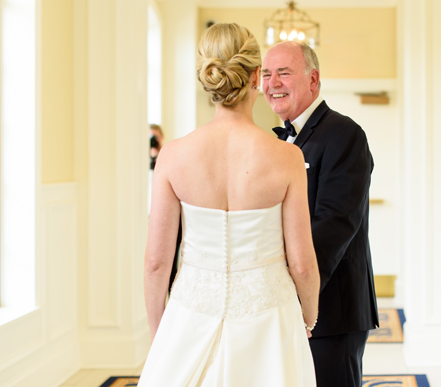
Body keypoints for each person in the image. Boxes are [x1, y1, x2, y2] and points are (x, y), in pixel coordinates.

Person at [140, 23, 319, 387]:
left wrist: (162, 333)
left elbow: (157, 263)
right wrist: (309, 318)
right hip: (270, 316)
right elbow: (301, 264)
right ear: (257, 76)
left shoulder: (173, 156)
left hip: (191, 312)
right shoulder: (286, 158)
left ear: (207, 79)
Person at [262, 40, 378, 387]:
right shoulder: (279, 143)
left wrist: (296, 292)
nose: (272, 83)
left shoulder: (344, 134)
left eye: (284, 73)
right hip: (289, 305)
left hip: (332, 311)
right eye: (267, 75)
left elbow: (333, 224)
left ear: (313, 80)